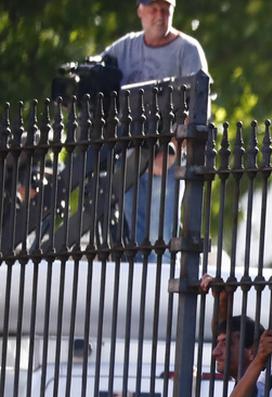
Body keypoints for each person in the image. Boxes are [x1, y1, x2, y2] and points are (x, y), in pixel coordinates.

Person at [99, 0, 208, 250]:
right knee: (132, 244)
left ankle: (161, 289)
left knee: (161, 244)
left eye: (165, 8)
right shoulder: (124, 48)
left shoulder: (188, 50)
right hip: (128, 160)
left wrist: (173, 150)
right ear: (140, 10)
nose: (159, 15)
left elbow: (199, 108)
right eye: (153, 8)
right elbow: (97, 71)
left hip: (165, 162)